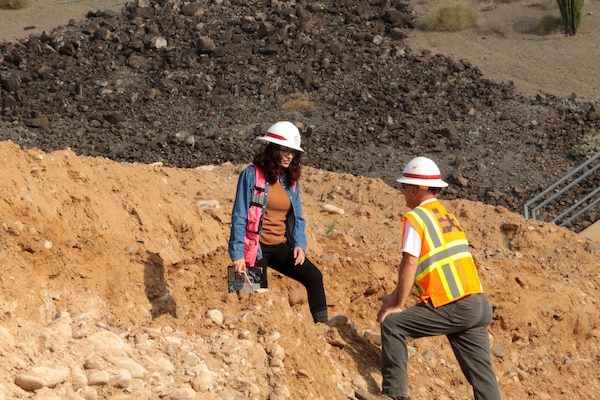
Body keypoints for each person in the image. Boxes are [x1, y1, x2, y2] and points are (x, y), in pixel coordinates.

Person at [356, 156, 501, 400]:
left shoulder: (417, 219)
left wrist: (399, 306)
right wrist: (395, 295)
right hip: (478, 304)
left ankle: (394, 395)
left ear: (415, 188)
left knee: (394, 324)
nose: (402, 192)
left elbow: (410, 262)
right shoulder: (447, 217)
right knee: (482, 375)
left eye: (404, 187)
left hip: (453, 305)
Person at [228, 121, 329, 323]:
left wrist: (300, 244)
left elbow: (297, 217)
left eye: (293, 152)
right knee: (250, 301)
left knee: (314, 277)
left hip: (280, 247)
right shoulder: (250, 174)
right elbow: (239, 215)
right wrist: (237, 255)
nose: (289, 156)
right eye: (284, 150)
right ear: (271, 149)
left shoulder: (291, 182)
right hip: (252, 250)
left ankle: (324, 329)